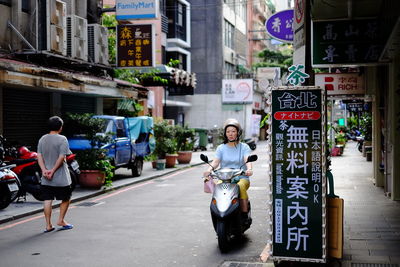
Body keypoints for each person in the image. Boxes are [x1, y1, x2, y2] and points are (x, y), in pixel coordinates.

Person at [203, 118, 253, 215]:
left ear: (238, 133)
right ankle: (217, 212)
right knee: (218, 188)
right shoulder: (221, 148)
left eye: (233, 131)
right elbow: (216, 162)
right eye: (228, 131)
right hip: (225, 178)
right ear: (225, 133)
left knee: (240, 187)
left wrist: (249, 169)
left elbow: (247, 159)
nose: (230, 134)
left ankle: (244, 213)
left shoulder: (244, 147)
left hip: (241, 178)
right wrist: (209, 170)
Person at [37, 116, 73, 233]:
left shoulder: (42, 139)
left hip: (46, 177)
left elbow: (39, 156)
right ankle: (61, 220)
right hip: (61, 177)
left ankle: (48, 225)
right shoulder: (62, 139)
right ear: (60, 127)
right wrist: (52, 171)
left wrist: (44, 170)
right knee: (66, 198)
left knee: (47, 200)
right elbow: (62, 157)